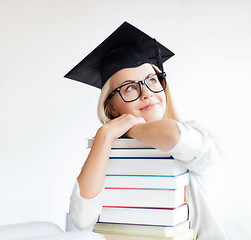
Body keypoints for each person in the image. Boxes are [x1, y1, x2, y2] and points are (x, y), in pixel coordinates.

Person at [64, 22, 229, 240]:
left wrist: (131, 128)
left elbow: (171, 136)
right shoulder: (108, 151)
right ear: (111, 107)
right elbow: (82, 219)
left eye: (152, 80)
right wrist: (104, 136)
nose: (147, 93)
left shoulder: (195, 133)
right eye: (130, 87)